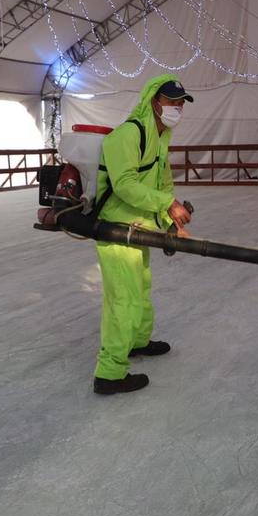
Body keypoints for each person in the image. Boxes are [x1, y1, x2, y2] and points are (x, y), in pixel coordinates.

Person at [91, 74, 193, 395]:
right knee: (125, 300)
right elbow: (124, 185)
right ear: (153, 101)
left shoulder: (161, 138)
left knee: (141, 288)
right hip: (116, 228)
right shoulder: (128, 134)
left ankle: (136, 342)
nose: (176, 108)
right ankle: (109, 374)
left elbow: (163, 186)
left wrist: (169, 222)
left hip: (139, 227)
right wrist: (168, 204)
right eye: (170, 102)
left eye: (180, 104)